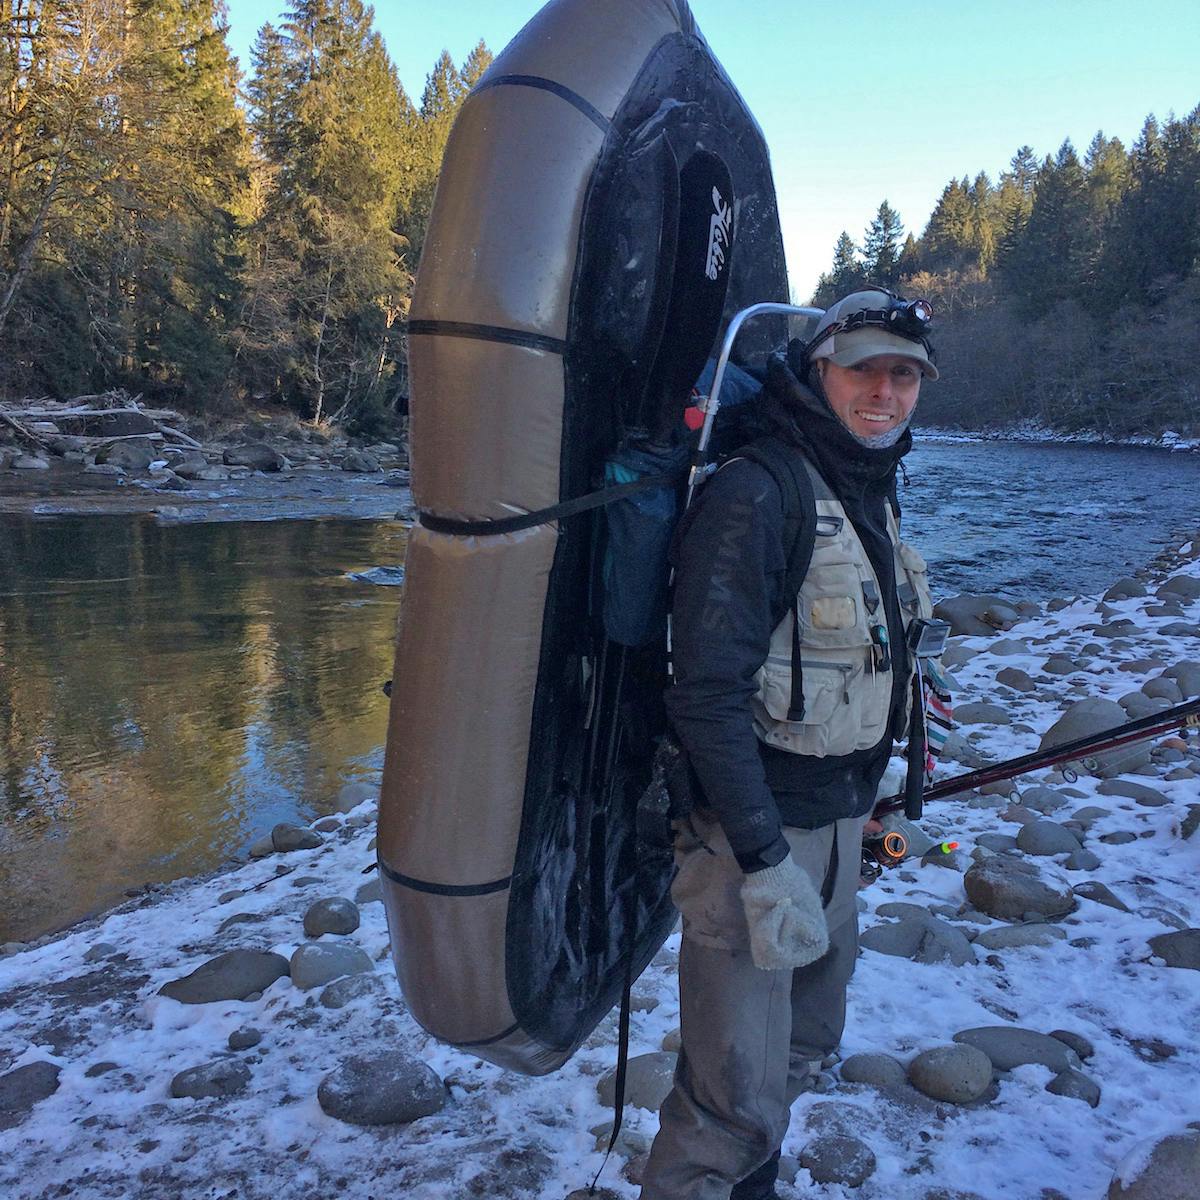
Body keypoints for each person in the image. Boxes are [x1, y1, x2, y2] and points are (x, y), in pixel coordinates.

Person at [639, 289, 940, 1200]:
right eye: (864, 371)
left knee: (803, 1048)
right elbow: (707, 696)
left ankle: (752, 1189)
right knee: (729, 1099)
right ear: (819, 371)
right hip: (752, 839)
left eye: (905, 375)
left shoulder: (866, 483)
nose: (885, 393)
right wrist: (766, 860)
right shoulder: (757, 492)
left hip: (839, 823)